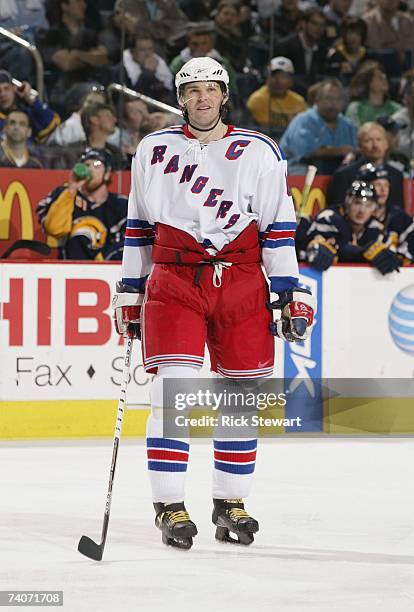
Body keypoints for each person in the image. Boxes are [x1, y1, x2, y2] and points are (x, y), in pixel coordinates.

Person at [112, 56, 316, 550]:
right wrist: (130, 290)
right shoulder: (152, 149)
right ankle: (169, 506)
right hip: (175, 279)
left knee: (241, 397)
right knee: (172, 395)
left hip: (242, 281)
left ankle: (230, 502)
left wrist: (290, 292)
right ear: (180, 98)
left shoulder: (259, 150)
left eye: (211, 89)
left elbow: (278, 228)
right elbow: (139, 225)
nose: (202, 97)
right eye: (192, 90)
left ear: (225, 95)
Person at [37, 148, 128, 260]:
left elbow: (131, 241)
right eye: (86, 165)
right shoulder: (66, 195)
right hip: (68, 270)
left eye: (96, 164)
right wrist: (71, 190)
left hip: (108, 272)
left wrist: (104, 258)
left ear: (107, 173)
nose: (90, 169)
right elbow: (54, 229)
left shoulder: (121, 204)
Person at [305, 180, 400, 274]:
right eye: (357, 203)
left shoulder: (376, 227)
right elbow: (341, 251)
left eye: (368, 205)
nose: (362, 211)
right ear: (347, 203)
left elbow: (391, 258)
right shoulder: (329, 217)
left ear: (373, 209)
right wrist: (363, 252)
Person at [280, 77, 357, 175]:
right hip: (297, 173)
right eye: (329, 98)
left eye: (338, 99)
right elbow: (308, 154)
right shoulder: (303, 121)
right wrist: (340, 150)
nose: (333, 103)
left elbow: (354, 150)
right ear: (317, 100)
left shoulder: (347, 125)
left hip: (335, 173)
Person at [327, 121, 404, 208]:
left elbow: (399, 211)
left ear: (386, 144)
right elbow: (337, 211)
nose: (375, 145)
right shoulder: (344, 175)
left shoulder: (396, 175)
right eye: (368, 140)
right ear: (359, 146)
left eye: (379, 139)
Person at [356, 163, 414, 262]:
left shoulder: (399, 217)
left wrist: (399, 259)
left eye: (386, 185)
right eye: (377, 185)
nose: (383, 190)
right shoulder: (357, 216)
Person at [246, 56, 307, 136]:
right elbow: (265, 133)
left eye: (283, 76)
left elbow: (303, 129)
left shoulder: (299, 101)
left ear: (291, 81)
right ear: (267, 78)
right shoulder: (257, 99)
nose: (278, 81)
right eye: (274, 76)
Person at [0, 69, 60, 143]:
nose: (2, 94)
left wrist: (30, 98)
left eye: (6, 88)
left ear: (14, 89)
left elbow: (51, 126)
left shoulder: (27, 112)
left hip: (29, 153)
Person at [345, 61, 401, 128]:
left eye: (384, 75)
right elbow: (353, 134)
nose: (384, 78)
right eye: (379, 76)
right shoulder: (355, 108)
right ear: (368, 82)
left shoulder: (396, 109)